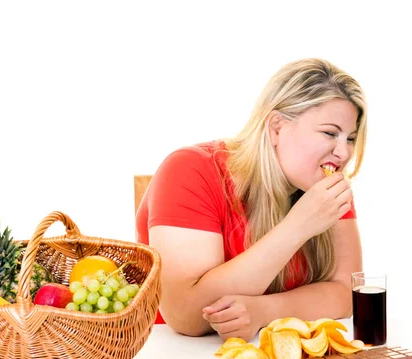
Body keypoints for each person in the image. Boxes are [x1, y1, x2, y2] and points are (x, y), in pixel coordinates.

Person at [136, 58, 367, 342]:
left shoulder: (324, 185)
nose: (343, 153)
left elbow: (346, 293)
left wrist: (265, 310)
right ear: (276, 128)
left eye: (351, 139)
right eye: (330, 133)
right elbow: (185, 314)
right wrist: (298, 227)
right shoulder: (190, 170)